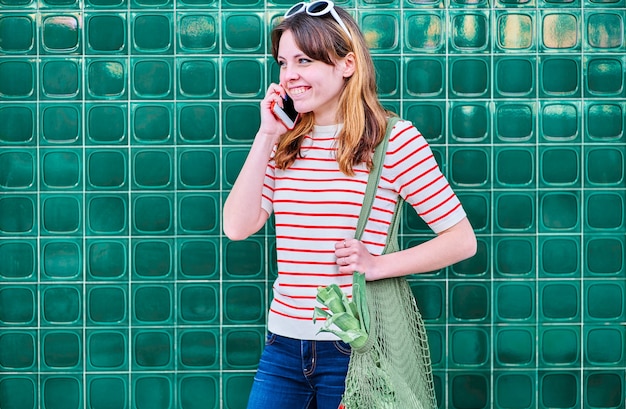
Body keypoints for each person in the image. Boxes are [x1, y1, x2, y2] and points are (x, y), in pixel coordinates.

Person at [222, 2, 477, 408]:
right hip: (283, 346)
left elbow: (461, 241)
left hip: (353, 349)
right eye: (283, 62)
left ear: (347, 63)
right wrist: (266, 133)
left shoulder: (393, 141)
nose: (289, 76)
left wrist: (378, 265)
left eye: (304, 60)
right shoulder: (285, 142)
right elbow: (236, 226)